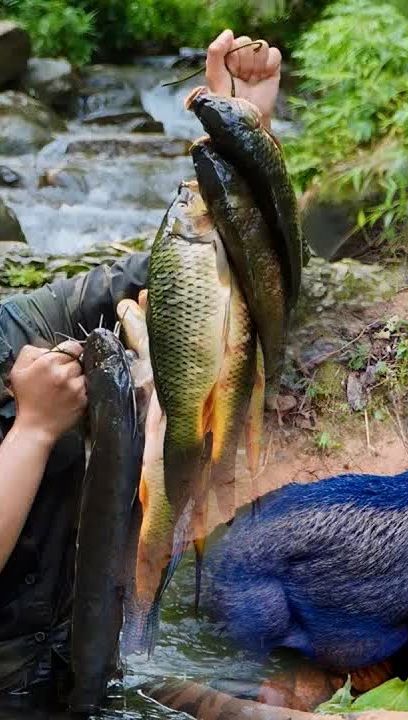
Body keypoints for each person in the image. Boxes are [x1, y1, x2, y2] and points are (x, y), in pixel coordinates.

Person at [0, 29, 283, 703]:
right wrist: (33, 431)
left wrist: (240, 134)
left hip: (97, 667)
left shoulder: (23, 323)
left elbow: (188, 270)